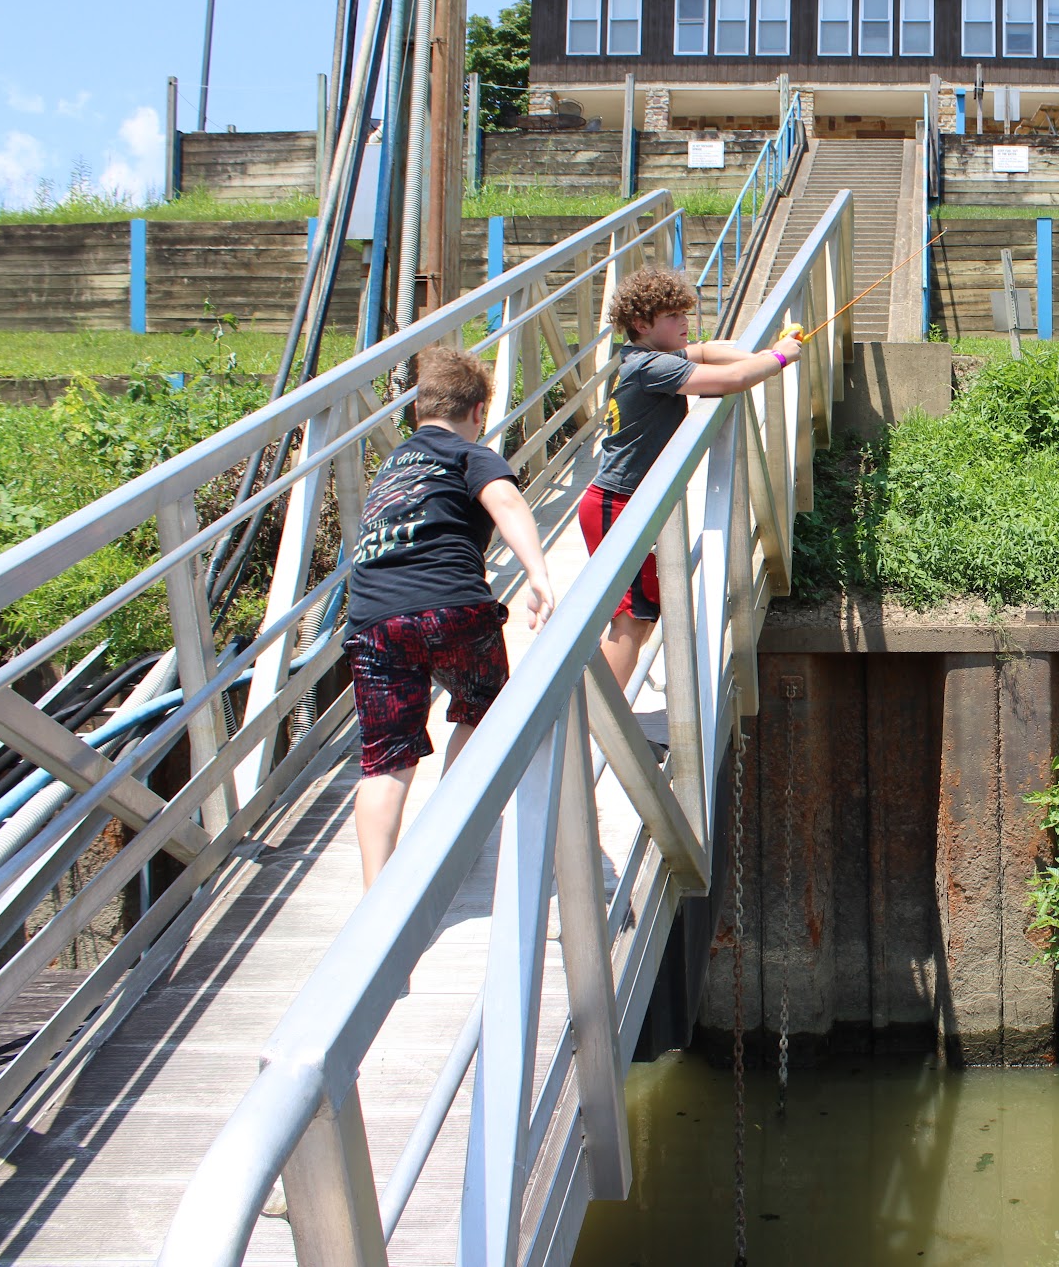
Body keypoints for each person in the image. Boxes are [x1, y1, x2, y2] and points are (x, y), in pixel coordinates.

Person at [343, 345, 557, 888]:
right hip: (451, 607)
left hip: (374, 620)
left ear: (417, 413)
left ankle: (376, 896)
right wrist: (538, 575)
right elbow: (506, 503)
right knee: (484, 709)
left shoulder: (391, 466)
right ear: (478, 412)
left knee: (385, 759)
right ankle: (445, 833)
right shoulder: (470, 454)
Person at [581, 266, 802, 693]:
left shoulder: (649, 358)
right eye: (673, 317)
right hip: (616, 502)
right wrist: (775, 360)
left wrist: (765, 351)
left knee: (642, 612)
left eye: (685, 314)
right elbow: (730, 379)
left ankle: (606, 721)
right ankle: (598, 729)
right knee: (633, 616)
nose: (685, 324)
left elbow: (708, 352)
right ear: (642, 325)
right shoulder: (651, 368)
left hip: (625, 502)